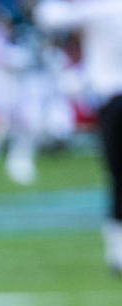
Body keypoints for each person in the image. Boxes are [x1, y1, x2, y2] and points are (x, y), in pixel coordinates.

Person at [35, 0, 122, 275]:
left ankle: (117, 252)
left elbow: (49, 16)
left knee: (117, 176)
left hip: (112, 98)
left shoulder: (103, 8)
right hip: (110, 95)